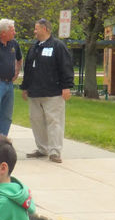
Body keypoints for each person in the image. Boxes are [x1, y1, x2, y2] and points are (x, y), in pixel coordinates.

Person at [20, 19, 74, 163]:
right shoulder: (34, 48)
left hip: (53, 93)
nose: (34, 31)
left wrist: (66, 87)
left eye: (36, 28)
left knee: (54, 122)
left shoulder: (58, 46)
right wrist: (25, 87)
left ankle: (55, 152)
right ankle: (42, 149)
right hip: (34, 93)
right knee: (36, 121)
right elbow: (28, 70)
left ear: (45, 29)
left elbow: (66, 67)